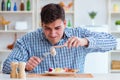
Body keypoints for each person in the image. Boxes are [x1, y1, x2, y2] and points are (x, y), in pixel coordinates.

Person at [2, 3, 117, 74]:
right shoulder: (28, 40)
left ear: (65, 23)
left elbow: (112, 42)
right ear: (41, 24)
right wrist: (25, 66)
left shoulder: (78, 34)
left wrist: (85, 41)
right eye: (47, 28)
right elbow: (6, 66)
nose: (53, 34)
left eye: (57, 28)